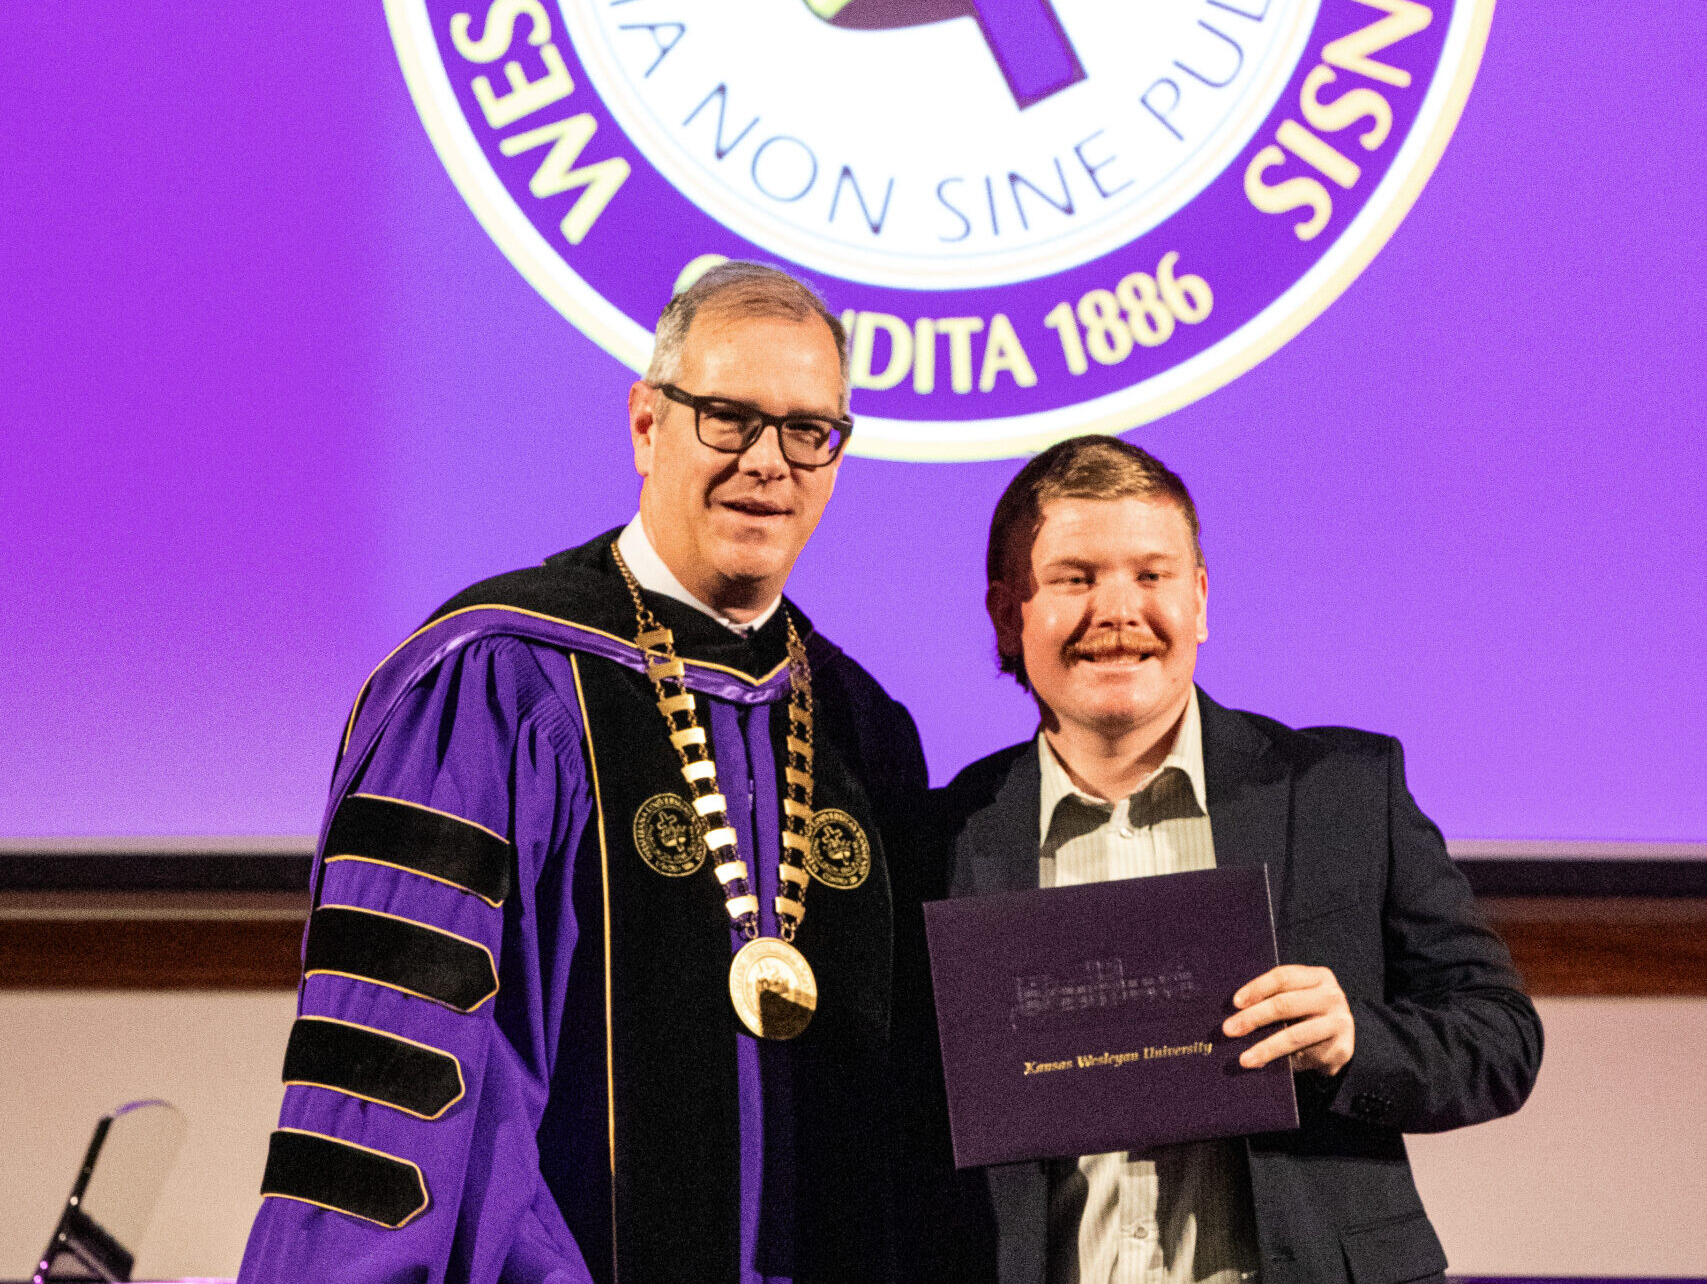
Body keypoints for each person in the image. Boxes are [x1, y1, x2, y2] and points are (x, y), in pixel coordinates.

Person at [238, 262, 929, 1284]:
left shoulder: (864, 732)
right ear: (648, 423)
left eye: (806, 430)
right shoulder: (499, 685)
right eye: (729, 418)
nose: (767, 462)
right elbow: (397, 1076)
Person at [933, 436, 1542, 1284]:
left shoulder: (1341, 792)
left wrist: (1351, 1039)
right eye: (1075, 578)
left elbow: (1501, 1038)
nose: (1118, 609)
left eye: (1150, 574)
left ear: (1199, 599)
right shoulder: (944, 836)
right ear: (1009, 614)